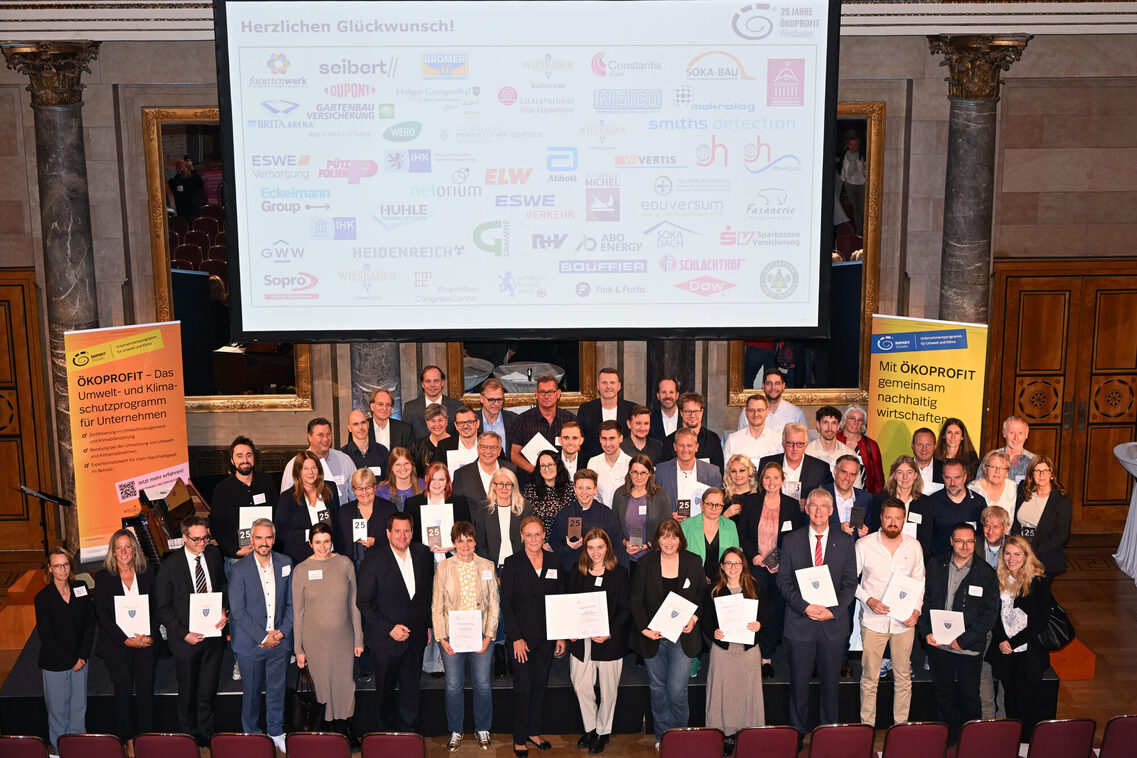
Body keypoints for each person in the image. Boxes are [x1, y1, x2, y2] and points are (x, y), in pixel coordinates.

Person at [776, 489, 858, 735]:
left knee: (831, 686)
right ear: (807, 509)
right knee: (799, 686)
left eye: (824, 506)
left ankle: (828, 734)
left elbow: (850, 583)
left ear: (831, 511)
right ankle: (798, 734)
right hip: (800, 623)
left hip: (832, 625)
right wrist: (806, 606)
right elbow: (783, 581)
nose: (819, 510)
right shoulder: (792, 540)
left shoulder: (844, 542)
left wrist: (831, 611)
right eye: (814, 506)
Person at [917, 523, 999, 743]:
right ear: (951, 541)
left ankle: (970, 741)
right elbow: (924, 601)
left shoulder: (986, 573)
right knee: (943, 694)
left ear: (975, 542)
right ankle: (948, 739)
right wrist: (926, 632)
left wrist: (963, 640)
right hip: (938, 645)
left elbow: (990, 614)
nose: (965, 546)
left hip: (968, 648)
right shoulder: (936, 564)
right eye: (960, 541)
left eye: (970, 541)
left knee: (969, 697)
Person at [629, 518, 705, 747]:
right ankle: (663, 736)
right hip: (654, 638)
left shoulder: (693, 561)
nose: (669, 541)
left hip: (683, 638)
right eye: (664, 536)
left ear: (680, 539)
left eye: (673, 536)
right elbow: (635, 600)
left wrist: (694, 618)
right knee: (658, 688)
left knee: (676, 690)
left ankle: (679, 735)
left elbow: (702, 593)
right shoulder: (645, 563)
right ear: (657, 539)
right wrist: (644, 629)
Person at [357, 512, 435, 731]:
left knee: (411, 689)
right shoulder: (373, 559)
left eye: (407, 531)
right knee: (385, 691)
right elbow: (364, 602)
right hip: (386, 639)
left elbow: (426, 595)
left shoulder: (423, 554)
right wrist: (389, 628)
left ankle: (409, 736)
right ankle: (385, 735)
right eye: (398, 531)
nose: (403, 536)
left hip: (416, 634)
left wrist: (427, 624)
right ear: (388, 533)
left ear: (412, 532)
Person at [156, 515, 228, 746]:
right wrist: (183, 633)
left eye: (205, 538)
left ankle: (206, 735)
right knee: (187, 691)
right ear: (184, 538)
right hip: (185, 641)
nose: (202, 543)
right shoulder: (170, 566)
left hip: (213, 638)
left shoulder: (214, 554)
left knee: (207, 690)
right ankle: (188, 738)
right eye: (196, 539)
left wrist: (224, 610)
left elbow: (222, 585)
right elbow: (163, 608)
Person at [855, 498, 925, 728]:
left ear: (904, 519)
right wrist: (869, 599)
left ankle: (901, 728)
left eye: (898, 518)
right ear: (881, 518)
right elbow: (850, 582)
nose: (893, 523)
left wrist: (916, 610)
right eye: (888, 517)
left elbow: (920, 582)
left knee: (904, 677)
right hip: (874, 621)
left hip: (904, 623)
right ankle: (867, 728)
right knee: (869, 678)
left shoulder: (914, 546)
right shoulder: (864, 545)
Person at [500, 515, 566, 756]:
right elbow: (506, 604)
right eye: (528, 535)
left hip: (548, 636)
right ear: (521, 537)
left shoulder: (554, 560)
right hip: (522, 639)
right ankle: (519, 737)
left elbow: (559, 598)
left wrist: (560, 635)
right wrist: (516, 638)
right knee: (523, 688)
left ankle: (533, 731)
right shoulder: (512, 563)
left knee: (540, 686)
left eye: (538, 534)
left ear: (544, 535)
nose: (534, 539)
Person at [293, 522, 364, 741]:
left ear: (331, 541)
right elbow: (298, 612)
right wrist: (298, 649)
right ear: (310, 543)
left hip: (343, 639)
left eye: (326, 541)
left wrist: (359, 639)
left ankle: (344, 729)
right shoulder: (301, 570)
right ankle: (328, 729)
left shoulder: (344, 564)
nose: (322, 547)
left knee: (345, 685)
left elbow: (354, 604)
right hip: (314, 642)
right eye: (317, 542)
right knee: (323, 687)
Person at [433, 521, 499, 752]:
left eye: (469, 540)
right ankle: (455, 730)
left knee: (482, 684)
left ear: (475, 541)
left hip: (481, 634)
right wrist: (441, 637)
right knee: (453, 685)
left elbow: (494, 605)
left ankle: (483, 728)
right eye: (460, 540)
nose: (465, 544)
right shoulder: (443, 568)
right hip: (451, 635)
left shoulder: (487, 566)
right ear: (453, 543)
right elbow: (437, 605)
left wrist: (489, 636)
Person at [228, 519, 292, 753]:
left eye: (268, 538)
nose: (264, 543)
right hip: (250, 644)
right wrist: (263, 637)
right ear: (251, 540)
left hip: (280, 642)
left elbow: (291, 603)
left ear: (273, 539)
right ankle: (252, 735)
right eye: (259, 538)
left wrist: (282, 632)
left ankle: (276, 731)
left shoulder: (286, 563)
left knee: (277, 690)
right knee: (252, 694)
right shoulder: (238, 569)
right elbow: (237, 611)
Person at [93, 530, 158, 754]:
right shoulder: (103, 577)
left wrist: (150, 636)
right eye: (118, 547)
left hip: (145, 643)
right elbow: (102, 615)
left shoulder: (148, 571)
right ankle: (128, 741)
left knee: (146, 693)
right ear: (112, 551)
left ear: (134, 549)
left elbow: (157, 607)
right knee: (123, 694)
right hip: (117, 647)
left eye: (127, 547)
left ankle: (146, 739)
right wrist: (125, 640)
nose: (123, 552)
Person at [738, 461, 803, 678]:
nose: (771, 482)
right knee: (753, 610)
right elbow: (742, 531)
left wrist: (783, 559)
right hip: (755, 567)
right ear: (761, 480)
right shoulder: (752, 502)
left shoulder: (792, 506)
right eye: (767, 478)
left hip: (780, 570)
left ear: (783, 481)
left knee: (774, 613)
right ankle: (749, 654)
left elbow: (796, 537)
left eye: (776, 478)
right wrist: (753, 556)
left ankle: (766, 657)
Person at [567, 529, 630, 755]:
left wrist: (609, 632)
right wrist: (569, 629)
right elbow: (569, 603)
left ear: (608, 548)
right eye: (591, 547)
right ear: (586, 549)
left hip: (609, 641)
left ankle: (603, 731)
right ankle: (591, 728)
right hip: (581, 641)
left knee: (608, 690)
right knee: (581, 684)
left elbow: (625, 609)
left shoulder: (620, 573)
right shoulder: (578, 571)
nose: (595, 552)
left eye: (600, 547)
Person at [988, 536, 1054, 742]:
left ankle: (1026, 744)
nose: (1011, 558)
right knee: (1009, 698)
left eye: (1017, 554)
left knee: (1026, 702)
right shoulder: (998, 578)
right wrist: (1001, 640)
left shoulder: (1038, 581)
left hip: (1028, 652)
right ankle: (1012, 743)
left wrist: (1013, 643)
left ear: (1026, 556)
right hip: (1005, 650)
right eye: (1007, 553)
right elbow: (993, 614)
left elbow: (1041, 621)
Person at [702, 547, 768, 749]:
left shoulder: (754, 587)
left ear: (743, 566)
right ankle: (723, 735)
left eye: (737, 563)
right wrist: (714, 631)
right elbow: (705, 619)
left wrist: (759, 625)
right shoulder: (713, 589)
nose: (733, 567)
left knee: (748, 692)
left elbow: (766, 615)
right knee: (721, 693)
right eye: (728, 563)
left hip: (748, 651)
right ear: (722, 566)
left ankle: (749, 734)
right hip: (723, 650)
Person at [35, 546, 94, 754]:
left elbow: (89, 625)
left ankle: (78, 751)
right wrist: (71, 660)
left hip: (81, 662)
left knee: (79, 711)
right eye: (57, 566)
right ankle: (61, 752)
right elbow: (47, 637)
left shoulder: (82, 588)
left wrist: (82, 656)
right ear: (49, 569)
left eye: (66, 564)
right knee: (58, 714)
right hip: (55, 664)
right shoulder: (43, 598)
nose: (63, 570)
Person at [210, 436, 277, 578]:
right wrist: (234, 550)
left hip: (266, 555)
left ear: (254, 457)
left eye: (249, 455)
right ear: (232, 460)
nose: (245, 460)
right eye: (239, 456)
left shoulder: (266, 481)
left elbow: (277, 514)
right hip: (237, 559)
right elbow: (216, 526)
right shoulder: (222, 489)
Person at [551, 469, 624, 572]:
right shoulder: (564, 515)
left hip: (600, 571)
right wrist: (568, 548)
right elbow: (554, 541)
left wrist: (606, 565)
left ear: (595, 490)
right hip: (571, 572)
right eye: (580, 488)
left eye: (588, 488)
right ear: (574, 489)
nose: (584, 492)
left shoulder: (607, 514)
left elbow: (616, 544)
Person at [276, 451, 342, 564]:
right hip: (301, 559)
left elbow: (337, 524)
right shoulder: (287, 497)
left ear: (319, 470)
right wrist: (312, 534)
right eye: (305, 468)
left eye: (314, 467)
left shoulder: (330, 489)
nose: (310, 472)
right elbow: (281, 532)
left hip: (330, 556)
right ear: (298, 472)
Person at [1012, 455, 1072, 575]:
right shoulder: (1024, 489)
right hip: (1019, 553)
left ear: (1051, 473)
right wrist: (1017, 548)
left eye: (1045, 471)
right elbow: (1015, 523)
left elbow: (1061, 535)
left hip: (1045, 557)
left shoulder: (1061, 500)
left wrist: (1032, 552)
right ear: (1031, 474)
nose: (1041, 475)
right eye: (1037, 471)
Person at [611, 455, 674, 569]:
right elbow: (614, 526)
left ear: (650, 473)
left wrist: (647, 546)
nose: (638, 477)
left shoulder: (660, 495)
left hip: (652, 557)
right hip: (625, 558)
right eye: (635, 472)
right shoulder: (620, 494)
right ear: (629, 472)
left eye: (643, 472)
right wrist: (625, 542)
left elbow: (667, 528)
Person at [978, 505, 1011, 718]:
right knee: (983, 670)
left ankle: (1004, 718)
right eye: (986, 526)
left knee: (1007, 673)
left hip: (1007, 622)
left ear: (1006, 528)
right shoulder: (972, 546)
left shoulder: (1015, 549)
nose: (990, 531)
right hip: (981, 619)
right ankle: (987, 717)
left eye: (995, 527)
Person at [280, 417, 357, 506]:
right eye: (320, 435)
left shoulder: (345, 460)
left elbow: (355, 495)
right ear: (309, 437)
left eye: (328, 434)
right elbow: (286, 502)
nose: (325, 439)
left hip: (339, 517)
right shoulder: (294, 465)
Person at [510, 374, 576, 478]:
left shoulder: (570, 419)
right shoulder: (522, 420)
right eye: (542, 392)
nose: (546, 396)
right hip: (531, 481)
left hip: (562, 481)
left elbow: (578, 449)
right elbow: (514, 455)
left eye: (550, 392)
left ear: (558, 394)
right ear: (536, 394)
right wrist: (536, 471)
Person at [405, 461, 474, 555]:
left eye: (441, 479)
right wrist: (420, 547)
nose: (436, 484)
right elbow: (408, 536)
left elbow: (468, 533)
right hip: (422, 558)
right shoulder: (412, 504)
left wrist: (453, 546)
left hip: (452, 558)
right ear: (425, 479)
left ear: (447, 481)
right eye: (432, 479)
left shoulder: (459, 503)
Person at [758, 422, 834, 505]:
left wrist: (808, 504)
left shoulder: (821, 468)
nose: (795, 448)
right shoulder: (766, 463)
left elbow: (829, 498)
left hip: (805, 516)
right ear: (783, 444)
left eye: (800, 444)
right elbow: (759, 494)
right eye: (790, 443)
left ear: (806, 445)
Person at [924, 458, 986, 558]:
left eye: (957, 477)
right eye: (948, 478)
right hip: (940, 564)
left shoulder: (978, 503)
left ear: (965, 477)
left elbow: (982, 538)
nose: (952, 483)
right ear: (943, 477)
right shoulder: (932, 502)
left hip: (970, 564)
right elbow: (926, 539)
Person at [338, 467, 398, 571]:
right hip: (351, 569)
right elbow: (340, 542)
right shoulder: (345, 511)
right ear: (353, 489)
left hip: (381, 568)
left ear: (375, 487)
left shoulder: (389, 509)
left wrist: (376, 542)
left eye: (368, 487)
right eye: (359, 488)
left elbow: (396, 538)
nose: (364, 493)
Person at [472, 467, 531, 568]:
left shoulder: (524, 507)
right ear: (493, 486)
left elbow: (529, 539)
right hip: (491, 566)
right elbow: (480, 544)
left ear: (513, 486)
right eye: (500, 483)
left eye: (508, 484)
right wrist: (489, 568)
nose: (504, 487)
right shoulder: (483, 509)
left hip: (520, 565)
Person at [656, 427, 724, 514]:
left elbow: (717, 505)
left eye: (689, 445)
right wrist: (668, 516)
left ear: (696, 447)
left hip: (701, 525)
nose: (685, 450)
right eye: (681, 445)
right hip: (672, 525)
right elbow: (656, 505)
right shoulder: (661, 471)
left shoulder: (712, 472)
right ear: (675, 447)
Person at [680, 487, 740, 584]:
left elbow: (735, 556)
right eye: (709, 504)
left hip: (723, 580)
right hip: (693, 579)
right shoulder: (687, 525)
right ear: (701, 504)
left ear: (723, 506)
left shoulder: (730, 526)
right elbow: (680, 556)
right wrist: (699, 574)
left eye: (718, 505)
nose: (713, 509)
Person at [577, 367, 635, 461]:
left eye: (612, 382)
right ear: (598, 386)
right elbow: (581, 440)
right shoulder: (586, 410)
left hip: (625, 464)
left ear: (619, 386)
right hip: (593, 465)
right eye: (604, 382)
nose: (608, 386)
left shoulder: (631, 409)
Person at [662, 392, 724, 474]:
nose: (692, 415)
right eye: (688, 411)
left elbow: (719, 473)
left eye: (695, 411)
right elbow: (665, 474)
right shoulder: (669, 441)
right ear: (681, 413)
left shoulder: (713, 439)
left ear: (702, 411)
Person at [522, 449, 577, 535]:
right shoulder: (530, 489)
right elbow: (526, 519)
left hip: (564, 541)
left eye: (550, 465)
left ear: (557, 466)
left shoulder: (571, 489)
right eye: (543, 465)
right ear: (539, 469)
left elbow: (575, 519)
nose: (546, 469)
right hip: (538, 541)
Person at [872, 456, 929, 538]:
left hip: (914, 549)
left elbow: (926, 536)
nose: (905, 477)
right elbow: (875, 530)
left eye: (909, 472)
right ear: (894, 475)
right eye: (900, 472)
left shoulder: (925, 503)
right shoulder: (880, 499)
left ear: (915, 475)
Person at [453, 432, 518, 505]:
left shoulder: (511, 469)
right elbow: (458, 507)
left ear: (499, 450)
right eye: (483, 447)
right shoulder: (461, 474)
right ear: (478, 449)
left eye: (493, 447)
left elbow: (516, 499)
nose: (488, 451)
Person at [403, 364, 464, 439]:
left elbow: (461, 436)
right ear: (422, 384)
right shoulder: (410, 408)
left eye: (436, 381)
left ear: (442, 383)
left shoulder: (457, 406)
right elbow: (406, 438)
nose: (432, 385)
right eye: (428, 381)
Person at [738, 368, 806, 434]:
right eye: (769, 383)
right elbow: (741, 441)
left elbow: (804, 443)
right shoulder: (748, 413)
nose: (773, 387)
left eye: (777, 383)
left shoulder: (796, 414)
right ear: (763, 385)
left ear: (783, 386)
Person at [836, 404, 884, 494]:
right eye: (852, 418)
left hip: (862, 496)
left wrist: (878, 500)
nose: (856, 423)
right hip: (835, 494)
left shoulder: (871, 445)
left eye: (860, 420)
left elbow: (878, 478)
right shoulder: (834, 440)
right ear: (844, 419)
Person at [722, 394, 781, 468]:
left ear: (767, 412)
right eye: (751, 410)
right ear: (746, 412)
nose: (755, 414)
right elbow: (726, 472)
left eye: (760, 410)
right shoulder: (732, 440)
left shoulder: (779, 440)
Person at [824, 454, 873, 537]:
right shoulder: (820, 494)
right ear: (835, 471)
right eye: (844, 472)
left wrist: (866, 531)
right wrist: (838, 529)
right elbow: (810, 525)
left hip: (855, 548)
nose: (847, 478)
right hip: (827, 548)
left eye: (852, 474)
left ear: (856, 476)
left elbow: (872, 527)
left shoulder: (865, 498)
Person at [976, 416, 1035, 484]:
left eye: (1020, 433)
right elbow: (978, 485)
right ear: (1004, 433)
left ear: (1026, 435)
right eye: (1012, 433)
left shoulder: (1034, 461)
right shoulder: (990, 458)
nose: (1016, 438)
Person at [587, 420, 632, 506]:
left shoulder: (630, 463)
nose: (607, 444)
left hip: (623, 516)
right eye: (604, 439)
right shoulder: (593, 462)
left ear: (620, 438)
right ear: (600, 439)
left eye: (612, 438)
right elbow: (591, 494)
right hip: (600, 515)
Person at [970, 450, 1018, 523]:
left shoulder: (1014, 488)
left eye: (1002, 468)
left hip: (1007, 534)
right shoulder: (972, 488)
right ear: (985, 468)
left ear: (1007, 471)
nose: (997, 471)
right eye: (993, 467)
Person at [804, 405, 856, 473]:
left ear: (838, 426)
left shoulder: (849, 454)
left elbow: (855, 483)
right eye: (825, 422)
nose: (830, 428)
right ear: (818, 425)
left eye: (834, 423)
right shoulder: (806, 452)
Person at [342, 409, 390, 476]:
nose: (361, 427)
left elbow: (388, 481)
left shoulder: (382, 451)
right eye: (356, 424)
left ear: (368, 424)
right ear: (349, 428)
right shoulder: (343, 455)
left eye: (363, 423)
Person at [433, 405, 482, 471]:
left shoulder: (490, 443)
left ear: (477, 423)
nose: (465, 426)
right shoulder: (443, 446)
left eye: (470, 422)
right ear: (456, 425)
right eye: (461, 423)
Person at [377, 447, 425, 511]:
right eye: (398, 465)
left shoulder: (424, 485)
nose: (403, 468)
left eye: (406, 463)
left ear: (412, 465)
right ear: (391, 468)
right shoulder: (382, 490)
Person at [368, 388, 416, 453]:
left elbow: (410, 458)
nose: (384, 408)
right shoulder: (361, 428)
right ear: (372, 407)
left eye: (388, 405)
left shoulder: (405, 430)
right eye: (380, 404)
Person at [478, 378, 517, 454]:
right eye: (491, 400)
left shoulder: (513, 420)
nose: (496, 404)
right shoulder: (472, 420)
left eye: (499, 399)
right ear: (481, 399)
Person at [411, 404, 451, 475]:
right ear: (427, 423)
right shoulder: (418, 446)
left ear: (446, 421)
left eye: (440, 420)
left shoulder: (457, 443)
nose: (437, 424)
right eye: (432, 421)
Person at [841, 136, 866, 234]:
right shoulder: (845, 155)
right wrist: (843, 180)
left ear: (858, 145)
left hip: (861, 184)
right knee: (855, 208)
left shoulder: (863, 155)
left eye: (855, 144)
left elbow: (866, 169)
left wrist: (866, 181)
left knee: (863, 209)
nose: (853, 146)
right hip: (849, 184)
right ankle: (859, 231)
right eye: (850, 144)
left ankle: (866, 230)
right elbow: (842, 168)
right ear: (848, 145)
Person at [722, 454, 757, 522]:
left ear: (749, 472)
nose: (738, 475)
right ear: (729, 474)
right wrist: (725, 516)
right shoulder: (721, 496)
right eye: (733, 471)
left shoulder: (759, 496)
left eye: (742, 470)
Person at [911, 427, 944, 492]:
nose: (924, 449)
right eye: (919, 444)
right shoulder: (901, 468)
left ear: (934, 446)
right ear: (913, 446)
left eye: (928, 445)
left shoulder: (944, 469)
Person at [649, 377, 681, 442]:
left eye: (671, 392)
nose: (668, 396)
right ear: (658, 396)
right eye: (664, 392)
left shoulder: (687, 418)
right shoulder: (650, 420)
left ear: (677, 395)